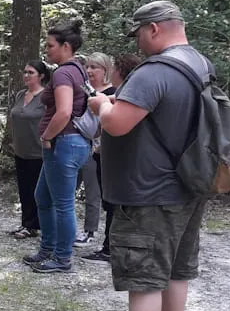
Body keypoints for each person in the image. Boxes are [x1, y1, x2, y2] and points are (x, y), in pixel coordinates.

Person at [81, 1, 211, 311]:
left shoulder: (154, 72)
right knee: (176, 267)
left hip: (150, 190)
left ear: (154, 29)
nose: (137, 42)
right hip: (189, 183)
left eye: (139, 33)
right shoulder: (199, 65)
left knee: (145, 273)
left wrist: (103, 103)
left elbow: (118, 124)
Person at [22, 19, 92, 274]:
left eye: (50, 45)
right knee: (43, 197)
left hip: (63, 142)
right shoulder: (78, 69)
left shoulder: (63, 72)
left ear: (65, 46)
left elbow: (63, 112)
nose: (46, 49)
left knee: (63, 203)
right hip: (70, 143)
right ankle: (48, 248)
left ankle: (62, 258)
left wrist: (46, 137)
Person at [82, 53, 143, 263]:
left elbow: (113, 125)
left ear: (118, 71)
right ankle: (111, 245)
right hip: (110, 156)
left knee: (113, 202)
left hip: (115, 159)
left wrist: (100, 147)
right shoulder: (126, 94)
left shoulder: (125, 95)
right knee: (111, 203)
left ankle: (110, 248)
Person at [74, 52, 115, 248]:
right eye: (87, 67)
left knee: (92, 191)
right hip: (76, 144)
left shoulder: (111, 93)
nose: (89, 71)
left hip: (97, 148)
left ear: (105, 70)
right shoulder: (84, 90)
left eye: (94, 67)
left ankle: (90, 231)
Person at [8, 60, 49, 240]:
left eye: (31, 72)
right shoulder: (20, 95)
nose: (26, 75)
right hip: (21, 150)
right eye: (25, 72)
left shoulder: (46, 96)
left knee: (37, 190)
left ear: (41, 76)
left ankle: (38, 225)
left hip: (38, 151)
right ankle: (27, 223)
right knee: (24, 189)